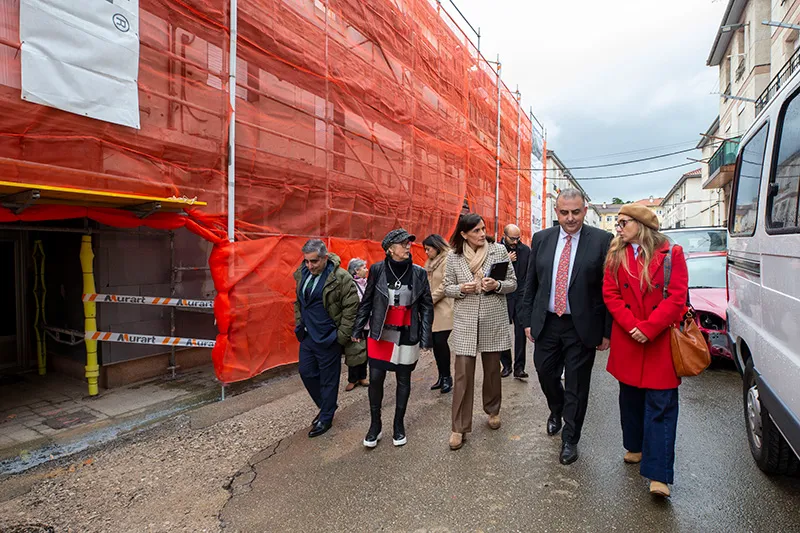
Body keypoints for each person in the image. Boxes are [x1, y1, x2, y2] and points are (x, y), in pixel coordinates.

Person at [519, 189, 612, 465]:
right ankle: (556, 409)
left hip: (582, 326)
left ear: (585, 211)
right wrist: (526, 320)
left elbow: (609, 289)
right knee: (545, 372)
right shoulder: (542, 239)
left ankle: (570, 438)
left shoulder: (602, 240)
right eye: (564, 212)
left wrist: (606, 331)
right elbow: (531, 283)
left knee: (577, 384)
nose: (570, 218)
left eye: (575, 212)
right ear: (556, 212)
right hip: (547, 322)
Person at [602, 204, 688, 498]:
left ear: (640, 224)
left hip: (659, 340)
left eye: (623, 222)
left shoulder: (671, 254)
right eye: (617, 222)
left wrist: (649, 328)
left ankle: (658, 475)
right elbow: (610, 293)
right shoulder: (616, 254)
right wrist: (631, 326)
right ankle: (635, 446)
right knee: (630, 398)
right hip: (628, 338)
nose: (618, 228)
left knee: (661, 405)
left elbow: (677, 297)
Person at [352, 229, 433, 448]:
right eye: (403, 243)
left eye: (408, 243)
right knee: (376, 378)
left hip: (406, 333)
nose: (408, 246)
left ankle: (398, 424)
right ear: (390, 249)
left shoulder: (418, 273)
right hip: (380, 333)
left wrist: (426, 337)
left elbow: (426, 306)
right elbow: (367, 300)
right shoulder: (378, 270)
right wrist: (358, 328)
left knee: (403, 379)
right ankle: (375, 426)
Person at [443, 214, 517, 451]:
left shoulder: (498, 251)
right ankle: (459, 427)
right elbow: (446, 287)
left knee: (493, 370)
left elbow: (513, 282)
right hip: (465, 321)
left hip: (492, 318)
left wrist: (497, 285)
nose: (482, 233)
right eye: (476, 230)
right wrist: (461, 289)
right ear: (464, 234)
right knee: (463, 374)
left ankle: (493, 410)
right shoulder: (453, 256)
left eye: (483, 228)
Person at [294, 239, 360, 438]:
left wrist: (341, 337)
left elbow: (351, 308)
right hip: (308, 335)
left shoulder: (341, 277)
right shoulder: (303, 273)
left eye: (314, 261)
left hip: (329, 337)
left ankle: (326, 417)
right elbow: (299, 302)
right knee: (306, 372)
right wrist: (299, 323)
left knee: (328, 379)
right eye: (306, 261)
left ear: (324, 257)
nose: (309, 265)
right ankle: (327, 406)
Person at [423, 234, 454, 394]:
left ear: (436, 247)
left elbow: (445, 284)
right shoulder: (430, 263)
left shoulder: (448, 259)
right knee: (435, 344)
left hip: (444, 307)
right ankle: (441, 376)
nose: (426, 252)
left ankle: (447, 377)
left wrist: (429, 299)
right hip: (432, 309)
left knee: (441, 342)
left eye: (428, 249)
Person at [499, 224, 531, 380]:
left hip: (520, 296)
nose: (516, 242)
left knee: (521, 333)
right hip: (503, 295)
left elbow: (530, 274)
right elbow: (492, 274)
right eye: (512, 239)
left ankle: (519, 367)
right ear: (504, 235)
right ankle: (506, 365)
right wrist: (506, 261)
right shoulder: (497, 250)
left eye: (518, 238)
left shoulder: (525, 251)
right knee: (502, 332)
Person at [345, 258, 370, 391]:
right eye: (364, 268)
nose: (366, 270)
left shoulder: (367, 283)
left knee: (365, 350)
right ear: (356, 270)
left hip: (368, 323)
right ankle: (352, 379)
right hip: (356, 323)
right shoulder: (350, 285)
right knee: (355, 351)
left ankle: (363, 376)